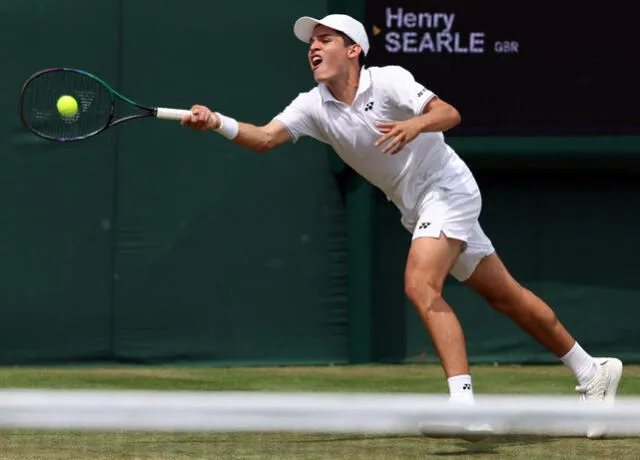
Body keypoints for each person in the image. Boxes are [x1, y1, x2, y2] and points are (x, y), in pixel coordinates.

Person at [181, 14, 623, 438]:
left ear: (353, 50)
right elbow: (264, 138)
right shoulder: (312, 106)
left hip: (448, 189)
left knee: (419, 284)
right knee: (506, 297)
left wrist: (416, 124)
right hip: (415, 206)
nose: (313, 47)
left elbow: (449, 113)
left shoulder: (389, 79)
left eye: (325, 39)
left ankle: (464, 408)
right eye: (311, 42)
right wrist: (215, 121)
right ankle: (592, 370)